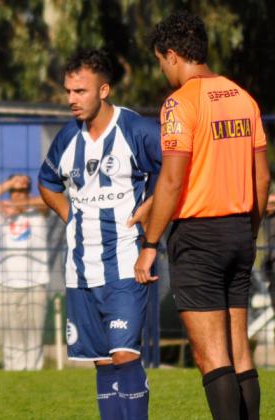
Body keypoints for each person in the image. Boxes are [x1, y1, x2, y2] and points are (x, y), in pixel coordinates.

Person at [135, 12, 269, 420]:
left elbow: (173, 182)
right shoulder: (242, 97)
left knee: (212, 356)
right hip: (240, 233)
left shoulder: (180, 104)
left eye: (160, 61)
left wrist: (151, 243)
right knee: (239, 351)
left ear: (173, 55)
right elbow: (261, 178)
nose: (162, 70)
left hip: (198, 240)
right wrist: (249, 231)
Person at [38, 48, 160, 420]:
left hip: (126, 261)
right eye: (68, 91)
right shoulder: (66, 139)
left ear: (104, 90)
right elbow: (46, 183)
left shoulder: (137, 130)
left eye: (81, 91)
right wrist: (70, 215)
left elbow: (172, 176)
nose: (72, 100)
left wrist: (151, 208)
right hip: (80, 270)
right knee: (102, 360)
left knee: (125, 354)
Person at [0, 174, 50, 371]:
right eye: (15, 191)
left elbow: (48, 200)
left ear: (28, 192)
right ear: (9, 192)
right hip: (7, 285)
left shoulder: (38, 212)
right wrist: (10, 183)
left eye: (23, 191)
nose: (19, 195)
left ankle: (34, 375)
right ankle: (14, 373)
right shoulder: (2, 213)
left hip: (36, 283)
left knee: (34, 337)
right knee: (10, 338)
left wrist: (21, 205)